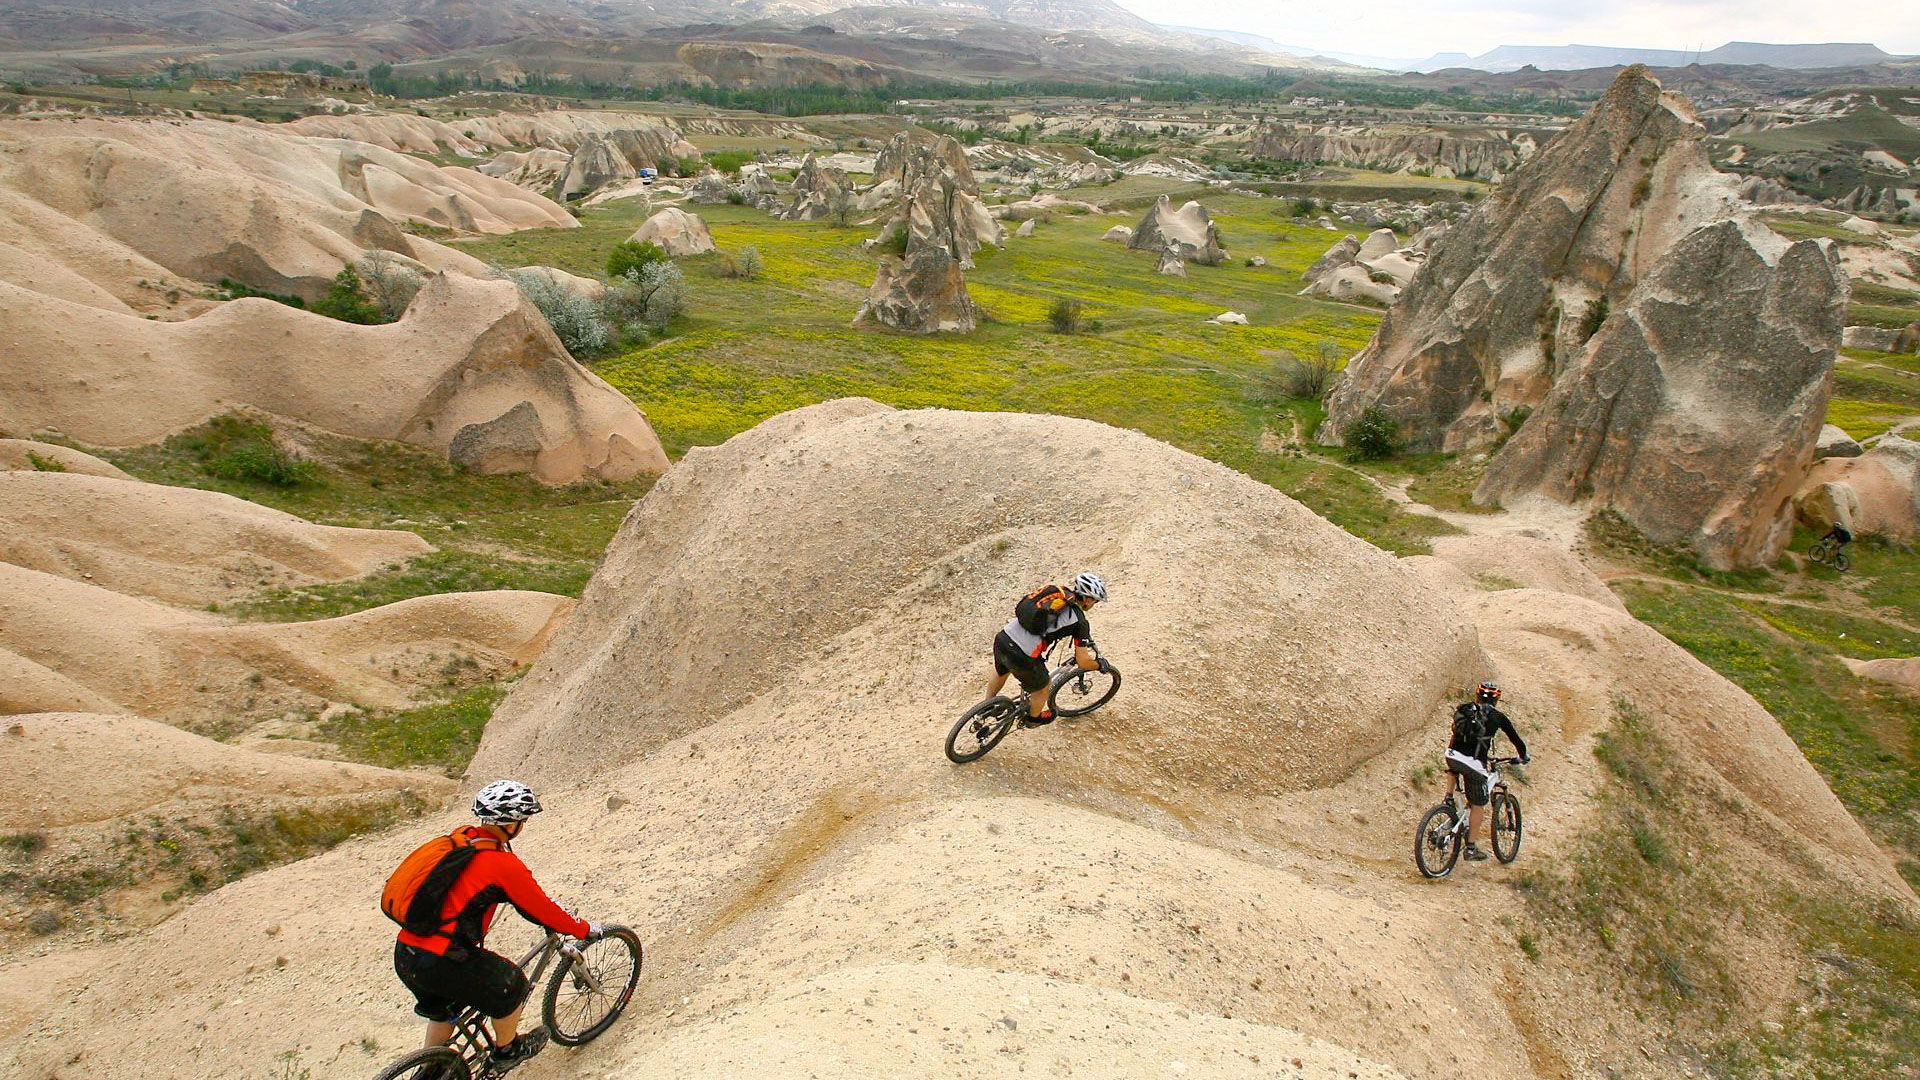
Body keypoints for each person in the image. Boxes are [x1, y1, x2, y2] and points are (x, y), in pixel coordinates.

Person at [390, 780, 601, 1068]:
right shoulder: (501, 865)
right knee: (511, 986)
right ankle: (508, 1051)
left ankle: (431, 1069)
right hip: (441, 958)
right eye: (522, 820)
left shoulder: (461, 839)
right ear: (509, 823)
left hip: (407, 953)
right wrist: (582, 929)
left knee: (443, 1010)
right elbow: (543, 910)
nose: (524, 825)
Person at [987, 572, 1109, 727]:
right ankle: (1033, 720)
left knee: (1002, 670)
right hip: (1022, 654)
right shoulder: (1080, 622)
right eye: (1095, 602)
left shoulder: (1056, 591)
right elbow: (1083, 662)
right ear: (1087, 598)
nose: (1093, 605)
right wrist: (1099, 665)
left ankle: (986, 706)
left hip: (1003, 638)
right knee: (1043, 686)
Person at [1443, 682, 1528, 862]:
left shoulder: (1466, 710)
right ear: (1496, 699)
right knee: (1478, 804)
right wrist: (1524, 757)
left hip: (1451, 755)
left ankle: (1448, 798)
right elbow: (1516, 740)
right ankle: (1471, 848)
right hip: (1473, 764)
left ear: (1477, 696)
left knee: (1454, 766)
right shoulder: (1498, 717)